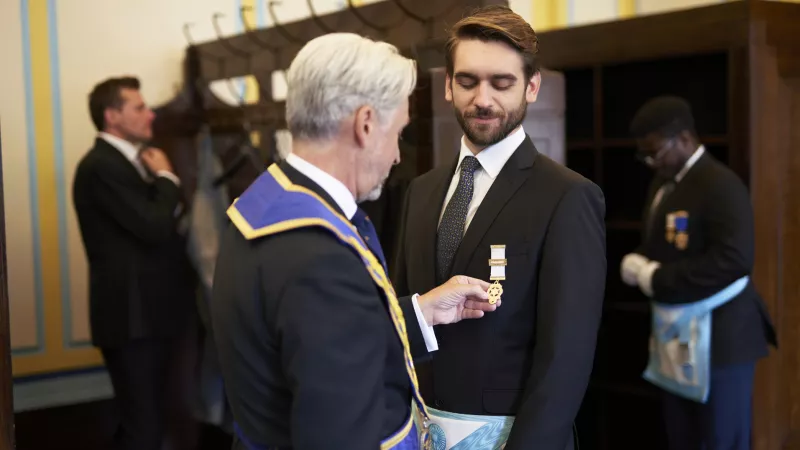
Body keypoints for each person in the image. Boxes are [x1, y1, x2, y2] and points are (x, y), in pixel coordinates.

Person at [210, 32, 499, 450]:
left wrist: (419, 314)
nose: (398, 155)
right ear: (365, 124)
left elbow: (312, 340)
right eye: (398, 132)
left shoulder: (265, 205)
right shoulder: (319, 256)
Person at [392, 5, 607, 450]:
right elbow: (401, 312)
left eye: (501, 83)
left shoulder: (567, 197)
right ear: (447, 86)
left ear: (531, 87)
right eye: (468, 81)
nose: (483, 99)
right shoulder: (420, 191)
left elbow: (565, 359)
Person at [620, 95, 777, 450]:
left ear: (686, 139)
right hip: (676, 332)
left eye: (655, 152)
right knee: (682, 437)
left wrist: (655, 278)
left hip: (721, 336)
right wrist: (639, 260)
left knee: (720, 439)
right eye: (644, 154)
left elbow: (734, 260)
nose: (649, 162)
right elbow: (662, 243)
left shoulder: (720, 184)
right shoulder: (663, 182)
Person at [72, 77, 198, 450]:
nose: (151, 113)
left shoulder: (126, 162)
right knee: (142, 427)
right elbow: (153, 226)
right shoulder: (101, 166)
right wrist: (167, 177)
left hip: (145, 317)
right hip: (131, 320)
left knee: (144, 420)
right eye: (139, 108)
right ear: (112, 116)